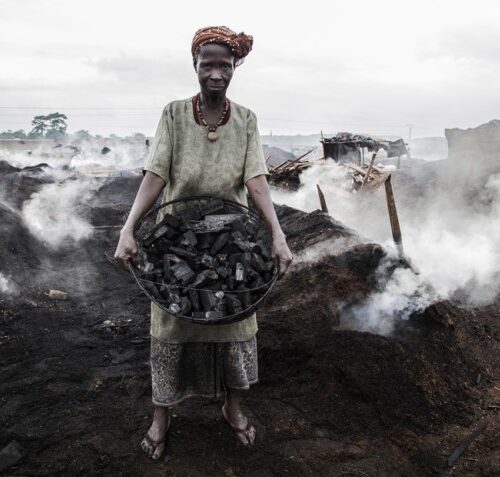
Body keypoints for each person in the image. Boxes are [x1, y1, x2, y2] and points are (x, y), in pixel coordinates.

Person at [114, 25, 293, 461]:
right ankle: (162, 416)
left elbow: (255, 180)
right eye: (207, 64)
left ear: (235, 69)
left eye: (225, 66)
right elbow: (155, 174)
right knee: (171, 326)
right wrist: (128, 227)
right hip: (176, 238)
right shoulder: (174, 114)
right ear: (194, 65)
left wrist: (277, 232)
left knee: (235, 324)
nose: (216, 73)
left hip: (232, 237)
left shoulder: (246, 119)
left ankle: (233, 408)